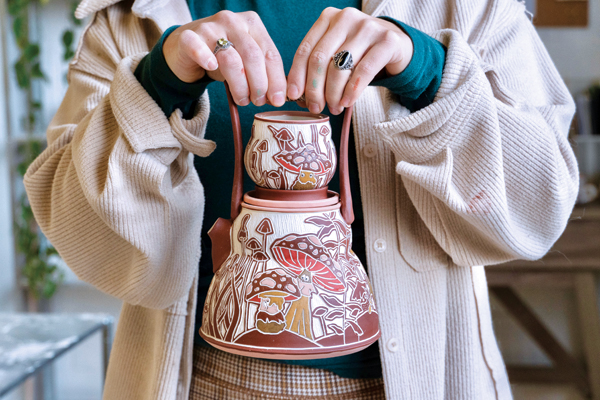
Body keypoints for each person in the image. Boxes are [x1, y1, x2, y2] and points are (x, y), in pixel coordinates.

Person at [23, 0, 578, 398]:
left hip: (419, 379)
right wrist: (156, 85)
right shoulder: (128, 16)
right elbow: (83, 237)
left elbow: (540, 206)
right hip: (202, 382)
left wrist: (430, 72)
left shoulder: (469, 6)